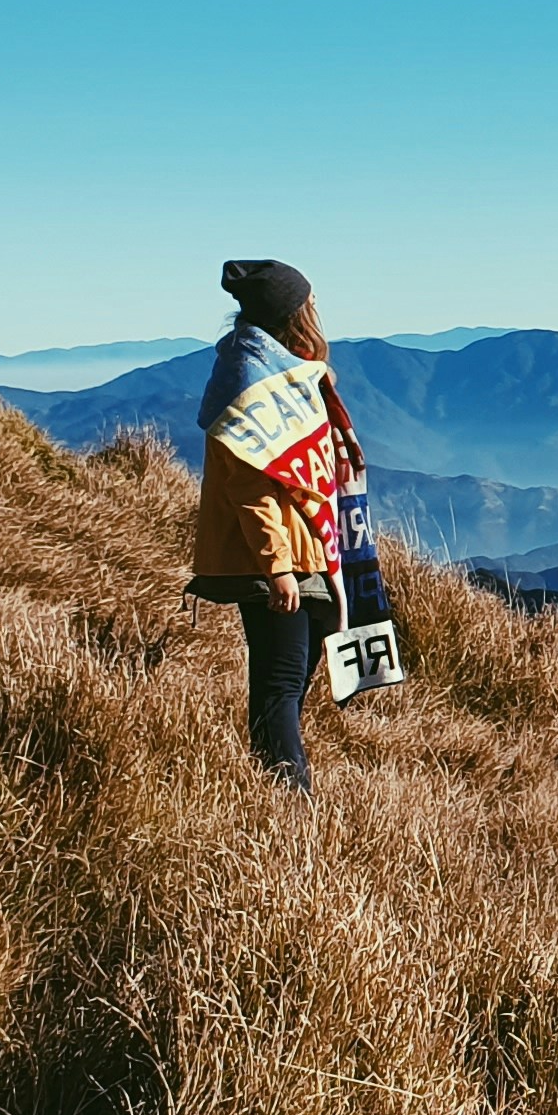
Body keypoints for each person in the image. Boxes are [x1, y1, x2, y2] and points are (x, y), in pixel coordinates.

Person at [189, 258, 357, 790]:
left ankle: (276, 784)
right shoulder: (247, 381)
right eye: (308, 302)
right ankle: (289, 802)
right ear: (293, 312)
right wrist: (277, 569)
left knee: (292, 684)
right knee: (278, 685)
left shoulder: (289, 375)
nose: (316, 310)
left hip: (312, 550)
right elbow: (251, 487)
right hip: (275, 563)